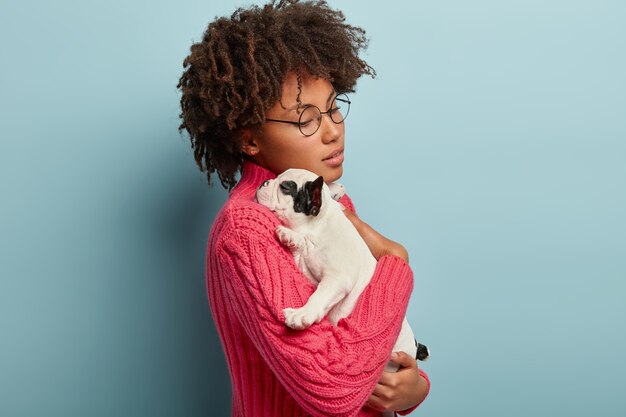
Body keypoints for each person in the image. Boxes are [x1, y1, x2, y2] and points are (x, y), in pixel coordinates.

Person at [177, 1, 430, 415]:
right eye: (305, 120)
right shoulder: (246, 230)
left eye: (333, 107)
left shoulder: (326, 200)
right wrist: (397, 266)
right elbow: (331, 387)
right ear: (250, 140)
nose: (332, 130)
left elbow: (365, 328)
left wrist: (412, 386)